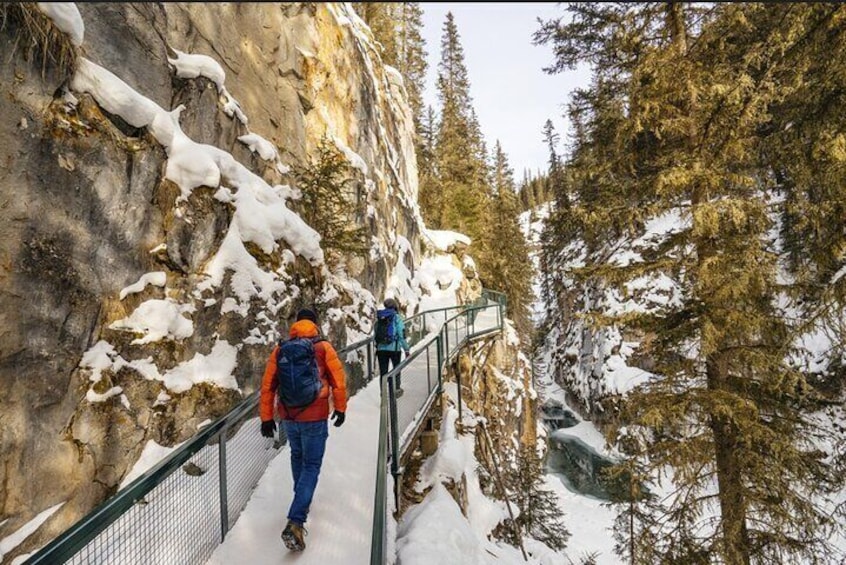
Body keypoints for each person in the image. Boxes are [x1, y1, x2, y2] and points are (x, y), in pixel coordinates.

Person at [259, 308, 347, 552]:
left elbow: (268, 386)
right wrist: (340, 408)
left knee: (297, 457)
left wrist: (267, 418)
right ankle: (296, 521)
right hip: (316, 415)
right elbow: (339, 381)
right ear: (316, 324)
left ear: (296, 325)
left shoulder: (281, 349)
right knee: (311, 465)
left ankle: (301, 501)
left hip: (289, 416)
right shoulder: (323, 348)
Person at [375, 298, 410, 396]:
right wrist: (406, 350)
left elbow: (375, 334)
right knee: (396, 369)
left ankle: (383, 393)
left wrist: (378, 345)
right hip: (394, 349)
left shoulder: (380, 317)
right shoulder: (397, 318)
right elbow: (401, 335)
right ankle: (396, 390)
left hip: (381, 349)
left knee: (383, 372)